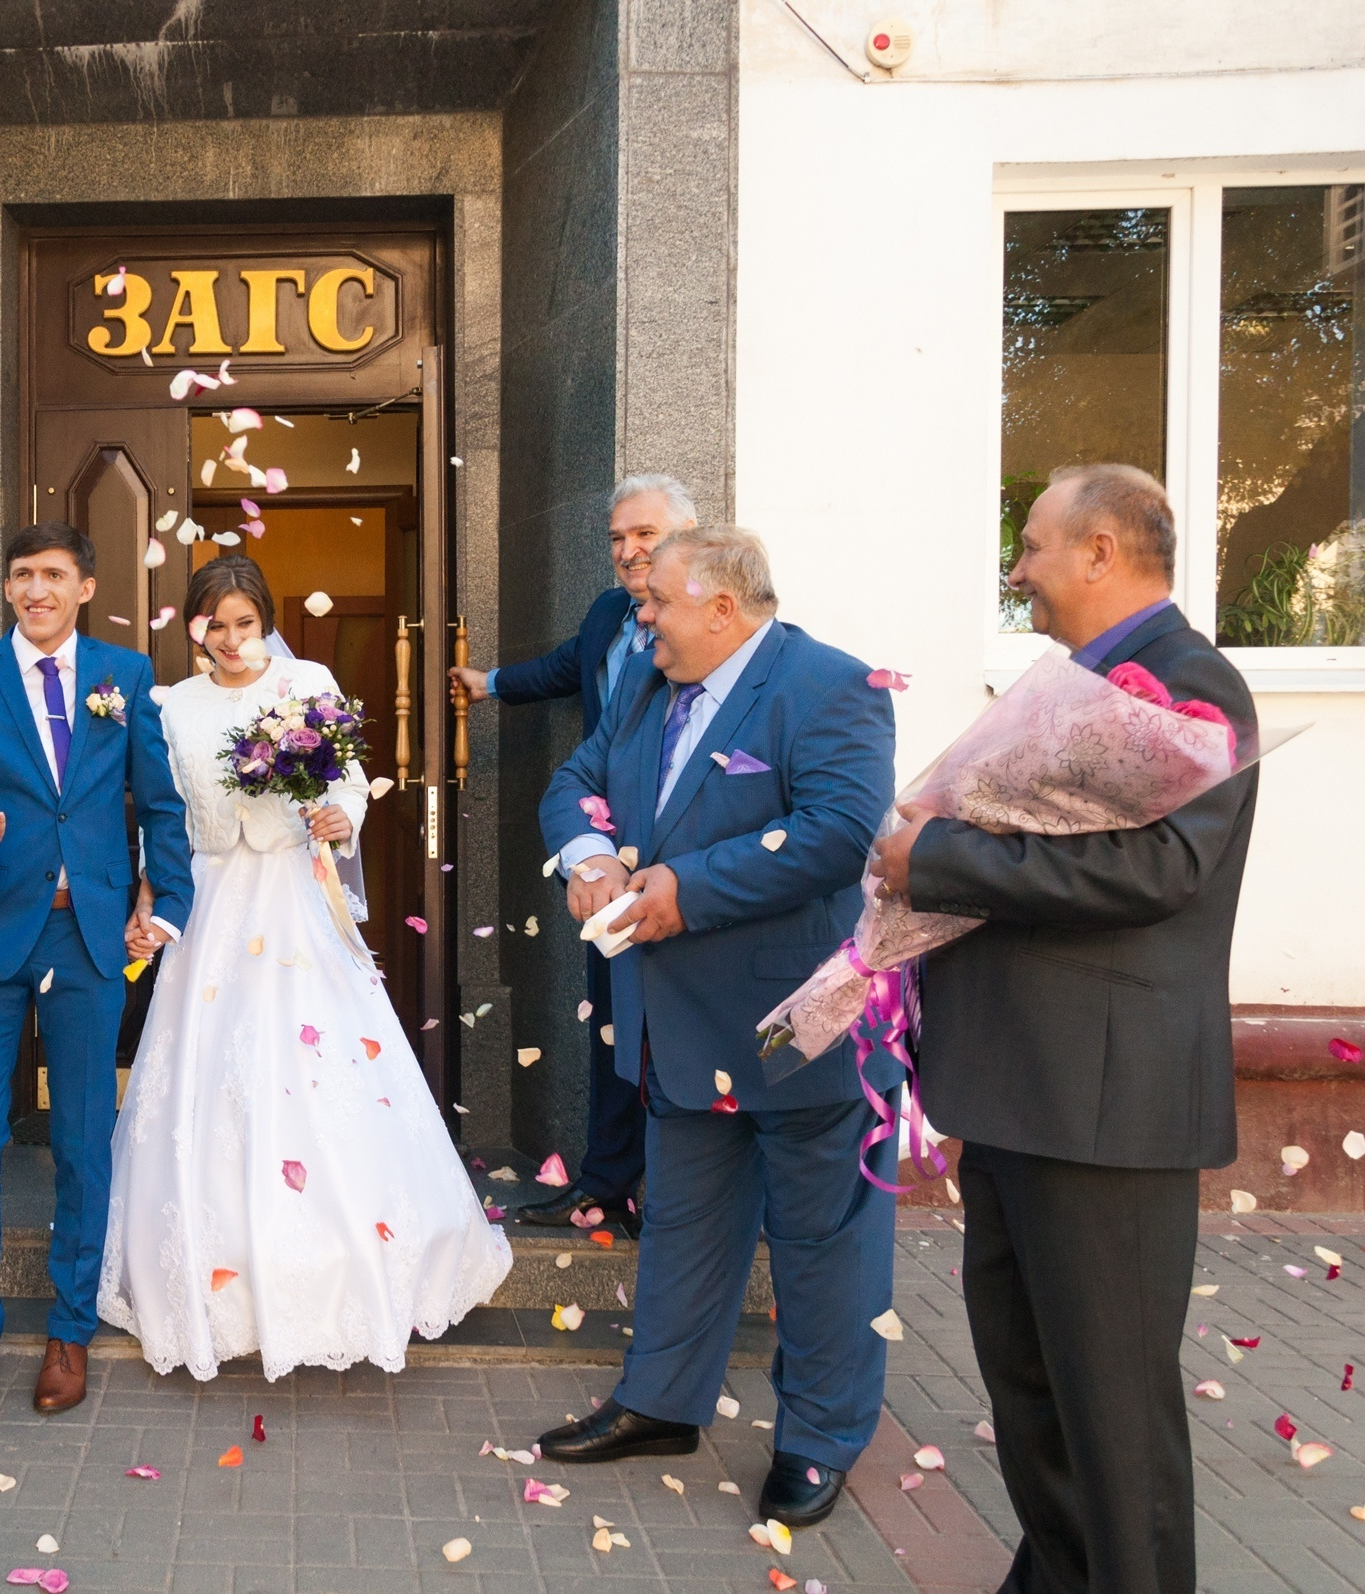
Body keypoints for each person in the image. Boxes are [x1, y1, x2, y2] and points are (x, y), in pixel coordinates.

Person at [873, 465, 1256, 1594]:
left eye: (1034, 545)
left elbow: (1160, 867)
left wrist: (933, 857)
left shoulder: (1196, 683)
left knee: (1114, 1417)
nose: (1019, 568)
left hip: (1108, 1108)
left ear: (1101, 552)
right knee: (1033, 1394)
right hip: (1017, 1093)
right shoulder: (1074, 687)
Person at [529, 526, 897, 1532]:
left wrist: (685, 889)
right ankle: (660, 1402)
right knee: (686, 1224)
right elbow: (575, 782)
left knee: (823, 1241)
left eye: (658, 603)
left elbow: (837, 833)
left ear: (723, 609)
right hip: (679, 1024)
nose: (640, 619)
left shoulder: (833, 686)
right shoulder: (651, 687)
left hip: (802, 1021)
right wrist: (592, 858)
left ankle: (819, 1438)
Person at [98, 554, 513, 1379]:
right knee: (207, 1072)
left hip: (291, 892)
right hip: (210, 900)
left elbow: (351, 780)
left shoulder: (306, 681)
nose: (230, 640)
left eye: (244, 623)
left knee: (312, 1066)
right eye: (214, 624)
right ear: (193, 627)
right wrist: (151, 899)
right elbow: (159, 814)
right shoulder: (168, 706)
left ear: (265, 621)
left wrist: (337, 812)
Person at [0, 521, 195, 1414]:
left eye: (54, 574)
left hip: (91, 937)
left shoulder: (127, 676)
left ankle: (70, 1331)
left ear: (84, 587)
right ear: (7, 589)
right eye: (23, 575)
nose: (37, 589)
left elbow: (159, 802)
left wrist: (170, 902)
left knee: (81, 1139)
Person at [449, 474, 699, 1233]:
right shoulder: (608, 614)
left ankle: (683, 1197)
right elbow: (565, 668)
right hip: (601, 856)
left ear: (686, 538)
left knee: (675, 1030)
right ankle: (608, 1184)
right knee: (614, 1026)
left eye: (645, 536)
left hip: (683, 860)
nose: (629, 551)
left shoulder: (714, 628)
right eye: (618, 538)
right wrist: (487, 682)